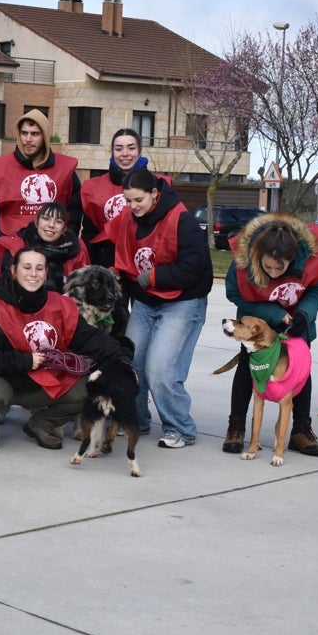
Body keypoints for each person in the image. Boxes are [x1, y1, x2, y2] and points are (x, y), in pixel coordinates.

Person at [0, 248, 129, 451]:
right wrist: (24, 361)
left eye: (39, 268)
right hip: (4, 382)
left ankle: (42, 423)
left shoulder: (61, 305)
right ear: (13, 270)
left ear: (46, 273)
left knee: (94, 389)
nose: (33, 274)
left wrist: (123, 358)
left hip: (44, 382)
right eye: (26, 267)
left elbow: (90, 337)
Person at [107, 168, 212, 448]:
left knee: (161, 369)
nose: (133, 207)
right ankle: (136, 420)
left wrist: (155, 276)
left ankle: (180, 428)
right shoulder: (130, 219)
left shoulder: (183, 220)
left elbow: (194, 267)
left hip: (182, 302)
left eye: (138, 200)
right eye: (128, 201)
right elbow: (127, 257)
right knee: (131, 362)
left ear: (154, 193)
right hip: (146, 301)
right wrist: (118, 272)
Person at [223, 214, 318, 455]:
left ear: (292, 258)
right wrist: (273, 313)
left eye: (279, 267)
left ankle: (301, 429)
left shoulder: (312, 258)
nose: (272, 272)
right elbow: (235, 293)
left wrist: (304, 314)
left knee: (300, 369)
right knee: (246, 367)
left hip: (297, 321)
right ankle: (236, 425)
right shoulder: (243, 259)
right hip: (259, 319)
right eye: (266, 266)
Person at [0, 109, 82, 250]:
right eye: (24, 133)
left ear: (45, 136)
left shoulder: (66, 169)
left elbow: (75, 210)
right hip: (9, 249)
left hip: (53, 250)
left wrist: (65, 239)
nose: (28, 139)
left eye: (34, 134)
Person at [80, 128, 170, 268]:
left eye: (131, 148)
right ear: (112, 152)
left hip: (145, 262)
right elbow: (89, 233)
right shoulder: (94, 188)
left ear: (139, 151)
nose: (125, 154)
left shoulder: (159, 186)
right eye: (119, 148)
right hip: (106, 263)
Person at [0, 201, 90, 298]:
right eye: (46, 218)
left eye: (58, 221)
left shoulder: (77, 252)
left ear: (64, 229)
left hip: (62, 309)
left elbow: (84, 293)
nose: (51, 225)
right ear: (36, 222)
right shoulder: (16, 248)